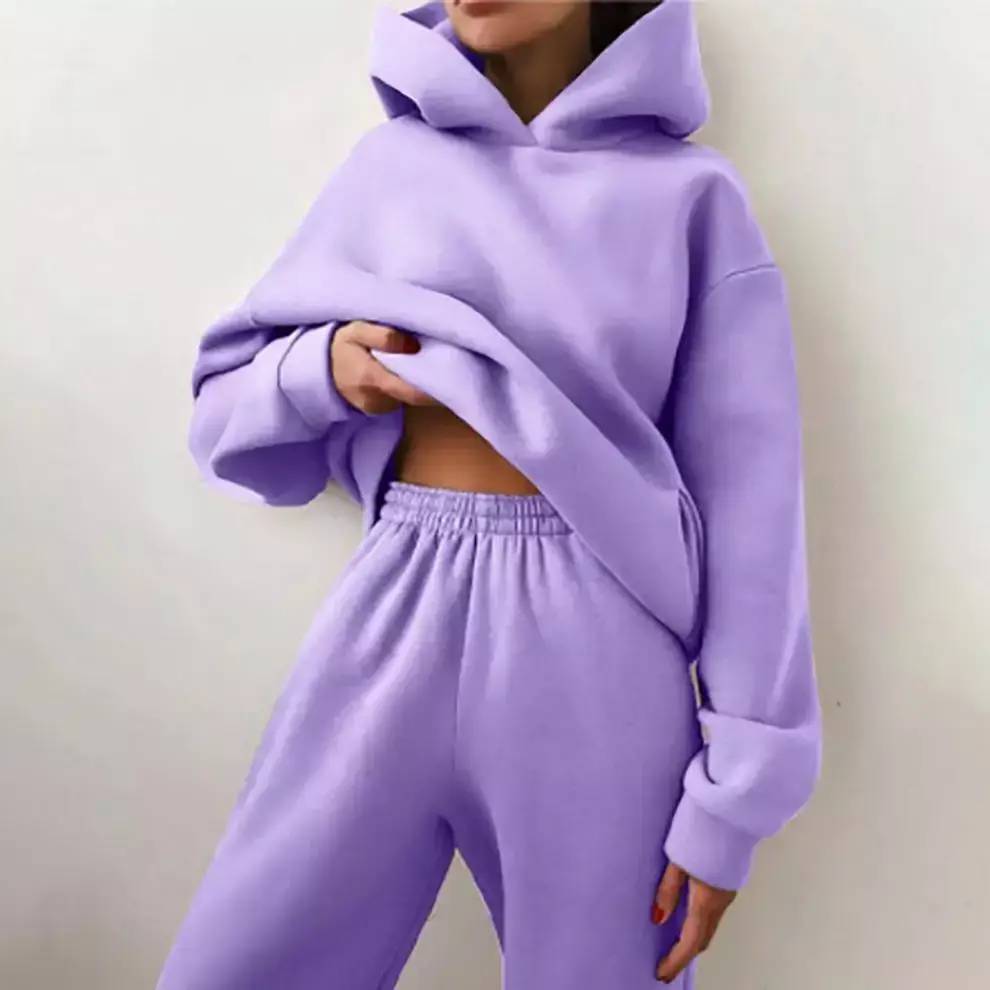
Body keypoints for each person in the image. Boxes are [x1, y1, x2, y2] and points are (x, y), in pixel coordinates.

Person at [158, 2, 821, 987]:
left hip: (600, 643)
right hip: (398, 603)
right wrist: (323, 368)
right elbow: (222, 412)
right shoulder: (391, 170)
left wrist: (736, 802)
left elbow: (754, 508)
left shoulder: (690, 198)